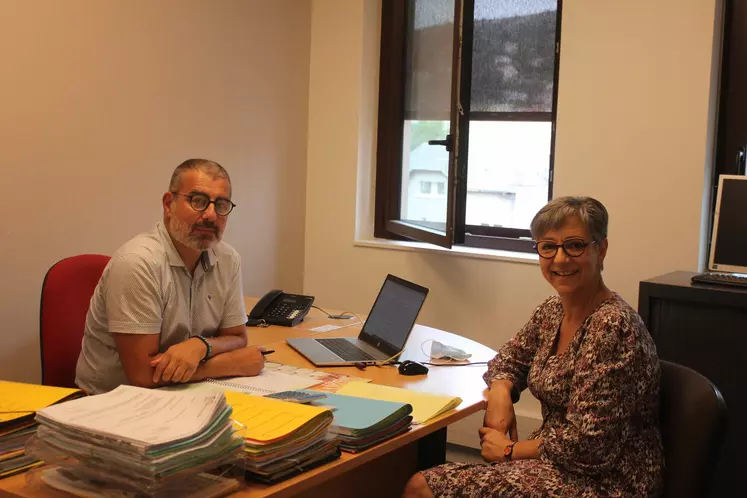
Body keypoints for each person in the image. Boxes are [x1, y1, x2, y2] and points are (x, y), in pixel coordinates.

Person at [403, 196, 663, 497]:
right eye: (548, 247)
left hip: (608, 481)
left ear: (601, 249)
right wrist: (501, 391)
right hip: (557, 464)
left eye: (575, 245)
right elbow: (509, 359)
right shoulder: (553, 310)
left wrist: (509, 449)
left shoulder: (612, 327)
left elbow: (591, 446)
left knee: (421, 487)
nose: (560, 259)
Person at [76, 159, 265, 394]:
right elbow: (143, 375)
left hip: (185, 393)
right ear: (169, 204)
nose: (210, 215)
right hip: (111, 404)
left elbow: (237, 337)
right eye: (198, 201)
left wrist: (199, 347)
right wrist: (229, 364)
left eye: (221, 205)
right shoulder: (138, 263)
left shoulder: (228, 259)